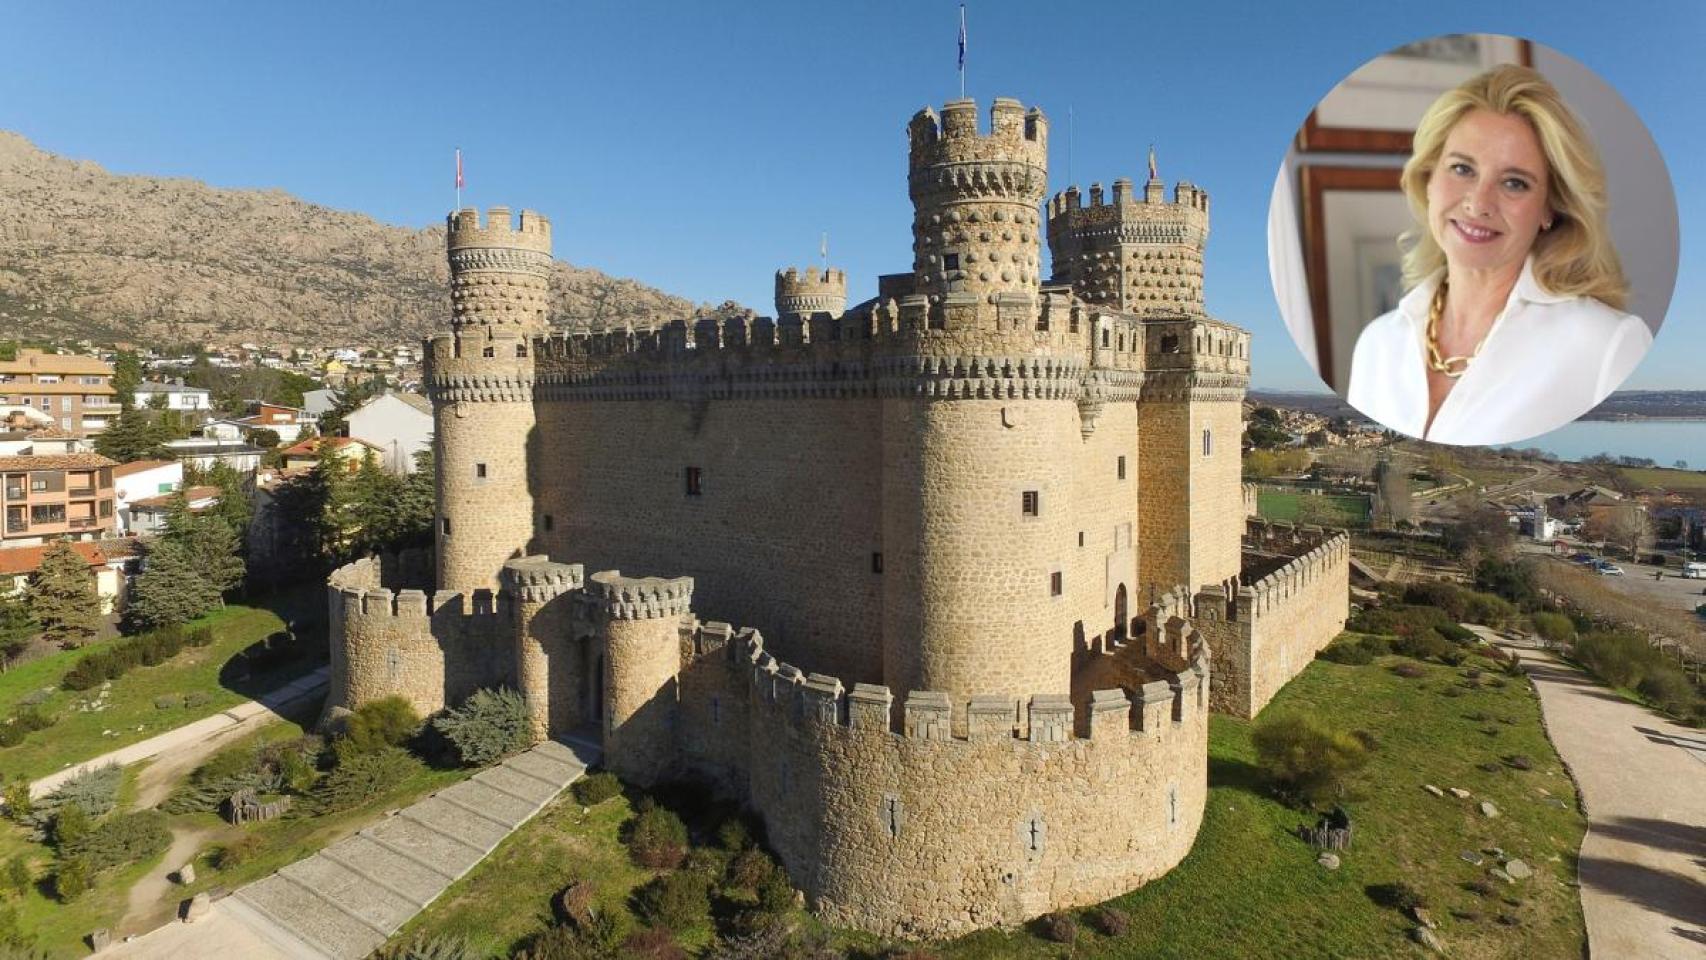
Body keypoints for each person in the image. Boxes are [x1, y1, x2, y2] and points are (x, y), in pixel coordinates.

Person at [1346, 65, 1651, 446]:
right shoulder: (1377, 344)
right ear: (1429, 178)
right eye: (1461, 168)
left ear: (1549, 208)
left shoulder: (1608, 345)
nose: (1478, 203)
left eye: (1514, 183)